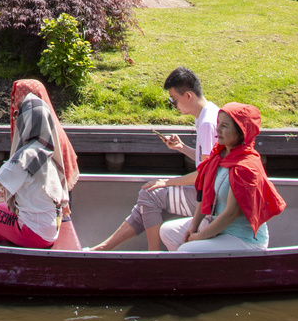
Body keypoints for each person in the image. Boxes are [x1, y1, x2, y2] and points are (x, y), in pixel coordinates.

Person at [90, 66, 219, 251]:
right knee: (147, 199)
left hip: (207, 198)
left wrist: (167, 183)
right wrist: (182, 148)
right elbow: (205, 161)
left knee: (149, 195)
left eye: (173, 100)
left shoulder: (207, 123)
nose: (173, 105)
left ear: (188, 96)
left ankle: (153, 255)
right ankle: (103, 248)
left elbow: (204, 176)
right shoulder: (207, 115)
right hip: (205, 191)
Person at [0, 79, 79, 248]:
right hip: (49, 229)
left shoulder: (27, 155)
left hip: (32, 231)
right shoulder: (47, 149)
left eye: (18, 115)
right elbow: (25, 179)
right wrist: (1, 172)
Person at [161, 101, 285, 252]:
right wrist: (194, 226)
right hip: (218, 226)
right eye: (218, 123)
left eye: (225, 126)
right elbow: (205, 195)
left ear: (241, 132)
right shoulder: (219, 155)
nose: (218, 129)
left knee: (187, 250)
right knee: (168, 232)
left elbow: (231, 213)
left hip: (242, 238)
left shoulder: (246, 167)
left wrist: (199, 237)